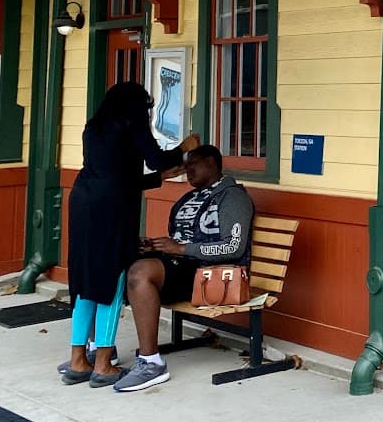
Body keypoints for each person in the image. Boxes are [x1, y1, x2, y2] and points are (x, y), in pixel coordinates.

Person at [60, 82, 197, 387]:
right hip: (112, 210)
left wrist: (157, 179)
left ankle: (78, 359)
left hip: (83, 201)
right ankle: (104, 363)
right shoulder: (131, 122)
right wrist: (184, 148)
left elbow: (116, 174)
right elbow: (157, 159)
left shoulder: (93, 127)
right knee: (112, 278)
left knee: (85, 280)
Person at [115, 144, 254, 392]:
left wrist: (180, 250)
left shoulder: (232, 196)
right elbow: (179, 240)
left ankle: (151, 363)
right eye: (186, 164)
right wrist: (156, 247)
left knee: (140, 273)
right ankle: (101, 350)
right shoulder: (189, 198)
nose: (187, 169)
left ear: (212, 164)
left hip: (210, 274)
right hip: (182, 268)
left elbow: (233, 247)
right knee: (112, 263)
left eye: (194, 163)